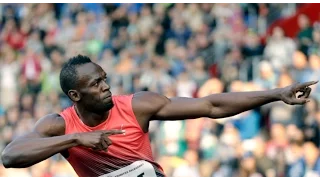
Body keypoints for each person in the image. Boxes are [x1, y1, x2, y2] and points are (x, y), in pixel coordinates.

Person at [0, 55, 318, 177]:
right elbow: (10, 157)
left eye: (105, 78)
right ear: (75, 95)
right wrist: (75, 138)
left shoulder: (137, 106)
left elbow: (211, 106)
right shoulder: (60, 124)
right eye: (96, 84)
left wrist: (277, 94)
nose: (107, 87)